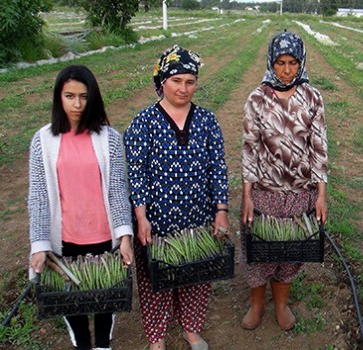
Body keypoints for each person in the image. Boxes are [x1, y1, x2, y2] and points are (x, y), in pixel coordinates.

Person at [124, 45, 229, 350]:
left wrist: (221, 209)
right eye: (176, 81)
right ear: (162, 82)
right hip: (158, 221)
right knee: (155, 280)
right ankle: (156, 338)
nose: (183, 89)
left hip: (198, 218)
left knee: (196, 275)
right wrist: (141, 216)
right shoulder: (144, 122)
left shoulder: (207, 121)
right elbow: (137, 173)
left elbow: (218, 167)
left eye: (190, 82)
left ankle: (191, 329)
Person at [28, 65, 133, 350]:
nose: (76, 104)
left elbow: (117, 191)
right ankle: (82, 343)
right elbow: (38, 196)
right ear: (58, 98)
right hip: (66, 238)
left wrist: (124, 235)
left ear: (93, 98)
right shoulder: (43, 141)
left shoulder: (109, 138)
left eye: (84, 97)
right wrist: (39, 244)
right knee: (71, 298)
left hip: (102, 235)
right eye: (69, 96)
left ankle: (102, 344)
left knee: (104, 296)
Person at [240, 31, 328, 332]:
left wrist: (320, 194)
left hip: (300, 193)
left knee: (290, 253)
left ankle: (280, 305)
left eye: (293, 62)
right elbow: (249, 148)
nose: (287, 70)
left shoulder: (312, 98)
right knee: (259, 251)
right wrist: (248, 195)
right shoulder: (257, 99)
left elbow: (319, 148)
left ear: (301, 62)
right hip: (266, 192)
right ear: (271, 62)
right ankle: (256, 305)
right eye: (280, 62)